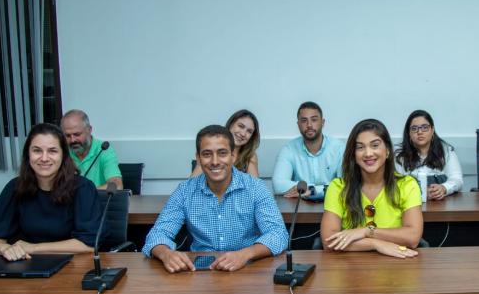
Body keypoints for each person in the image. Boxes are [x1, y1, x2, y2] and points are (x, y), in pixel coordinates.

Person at [144, 125, 287, 273]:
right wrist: (166, 254)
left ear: (233, 156)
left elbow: (278, 234)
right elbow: (157, 234)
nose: (215, 161)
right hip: (200, 273)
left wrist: (245, 254)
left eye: (222, 153)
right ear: (198, 158)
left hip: (246, 269)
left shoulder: (256, 187)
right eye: (207, 154)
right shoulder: (185, 191)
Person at [0, 123, 104, 261]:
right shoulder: (15, 187)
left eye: (52, 151)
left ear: (63, 155)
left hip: (72, 265)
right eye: (37, 151)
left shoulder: (82, 188)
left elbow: (89, 244)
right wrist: (5, 249)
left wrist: (33, 248)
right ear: (28, 154)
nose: (44, 158)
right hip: (25, 264)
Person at [321, 119, 423, 257]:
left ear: (387, 151)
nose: (368, 153)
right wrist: (375, 244)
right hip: (350, 266)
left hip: (397, 265)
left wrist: (366, 231)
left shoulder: (407, 185)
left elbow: (413, 237)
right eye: (360, 147)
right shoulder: (338, 187)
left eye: (375, 145)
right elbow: (329, 241)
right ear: (353, 155)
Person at [272, 101, 343, 199]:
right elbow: (278, 185)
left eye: (314, 120)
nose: (309, 125)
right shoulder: (289, 149)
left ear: (322, 123)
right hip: (300, 205)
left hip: (333, 203)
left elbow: (345, 185)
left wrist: (312, 191)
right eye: (304, 120)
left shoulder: (339, 148)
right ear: (298, 124)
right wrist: (322, 189)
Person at [395, 110, 463, 200]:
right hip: (410, 203)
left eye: (425, 127)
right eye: (414, 128)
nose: (420, 132)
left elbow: (457, 179)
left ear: (432, 130)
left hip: (442, 204)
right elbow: (396, 184)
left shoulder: (446, 151)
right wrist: (419, 191)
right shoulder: (399, 155)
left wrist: (444, 188)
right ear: (409, 133)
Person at [60, 109, 123, 190]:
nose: (73, 140)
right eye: (68, 136)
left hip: (97, 197)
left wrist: (87, 193)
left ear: (89, 130)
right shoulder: (61, 151)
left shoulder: (103, 149)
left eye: (77, 134)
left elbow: (116, 186)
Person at [191, 109, 260, 177]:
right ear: (231, 124)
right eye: (241, 126)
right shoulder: (212, 146)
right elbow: (192, 182)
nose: (243, 134)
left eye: (249, 131)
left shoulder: (249, 155)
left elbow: (255, 183)